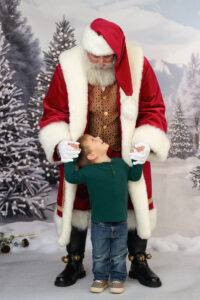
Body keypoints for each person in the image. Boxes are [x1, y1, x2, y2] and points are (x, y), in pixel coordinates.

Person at [39, 18, 170, 288]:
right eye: (94, 57)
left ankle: (139, 261)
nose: (100, 63)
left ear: (118, 53)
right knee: (79, 203)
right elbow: (54, 110)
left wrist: (146, 142)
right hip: (85, 153)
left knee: (134, 203)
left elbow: (153, 108)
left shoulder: (138, 63)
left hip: (126, 153)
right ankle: (74, 262)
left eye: (107, 58)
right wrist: (60, 142)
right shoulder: (69, 65)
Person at [64, 134, 145, 294]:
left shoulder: (120, 163)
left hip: (121, 222)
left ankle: (117, 279)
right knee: (100, 254)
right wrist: (70, 158)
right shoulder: (88, 171)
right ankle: (100, 278)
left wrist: (138, 159)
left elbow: (135, 176)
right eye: (93, 140)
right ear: (91, 155)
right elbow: (71, 177)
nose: (98, 136)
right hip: (99, 224)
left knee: (119, 253)